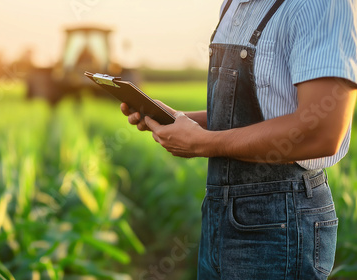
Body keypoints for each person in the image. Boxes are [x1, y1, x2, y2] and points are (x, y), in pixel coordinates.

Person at [121, 0, 357, 279]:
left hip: (281, 222)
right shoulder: (232, 5)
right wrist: (180, 120)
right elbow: (251, 116)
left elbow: (322, 131)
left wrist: (202, 143)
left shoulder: (320, 5)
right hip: (219, 214)